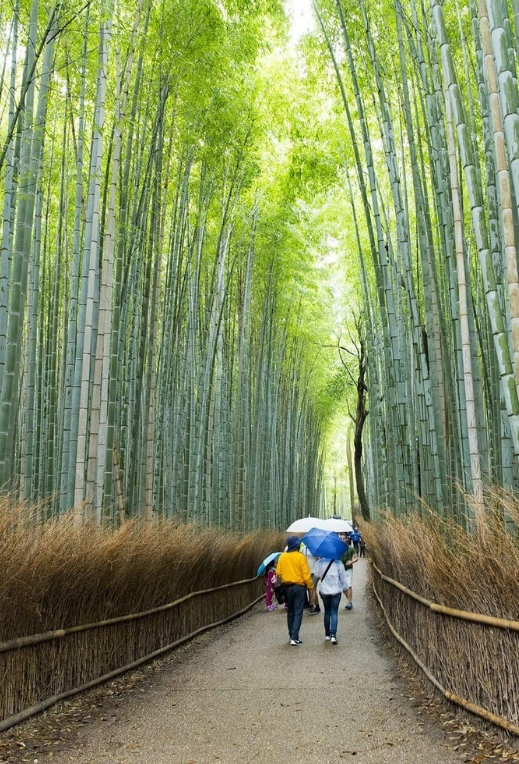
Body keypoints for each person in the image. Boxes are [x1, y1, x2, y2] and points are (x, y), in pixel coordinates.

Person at [275, 535, 314, 645]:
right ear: (297, 545)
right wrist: (311, 587)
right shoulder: (300, 557)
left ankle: (291, 635)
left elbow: (278, 573)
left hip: (287, 587)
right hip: (299, 587)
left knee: (290, 612)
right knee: (298, 612)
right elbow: (306, 575)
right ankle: (294, 636)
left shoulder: (282, 557)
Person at [313, 556, 349, 644]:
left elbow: (316, 575)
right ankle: (333, 635)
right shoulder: (338, 563)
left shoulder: (319, 563)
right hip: (336, 591)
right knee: (334, 612)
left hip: (324, 591)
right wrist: (345, 589)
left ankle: (327, 635)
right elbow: (343, 579)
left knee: (327, 612)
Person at [300, 541, 320, 614]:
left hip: (315, 571)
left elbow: (319, 559)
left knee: (312, 589)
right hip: (307, 572)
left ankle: (312, 606)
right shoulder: (303, 549)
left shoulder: (315, 548)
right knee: (311, 589)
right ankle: (317, 606)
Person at [340, 534, 358, 609]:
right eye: (341, 538)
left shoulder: (350, 548)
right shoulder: (338, 549)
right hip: (340, 570)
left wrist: (351, 562)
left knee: (349, 585)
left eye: (343, 538)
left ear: (346, 539)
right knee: (343, 587)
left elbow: (356, 558)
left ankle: (349, 602)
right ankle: (349, 599)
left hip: (348, 569)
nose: (342, 540)